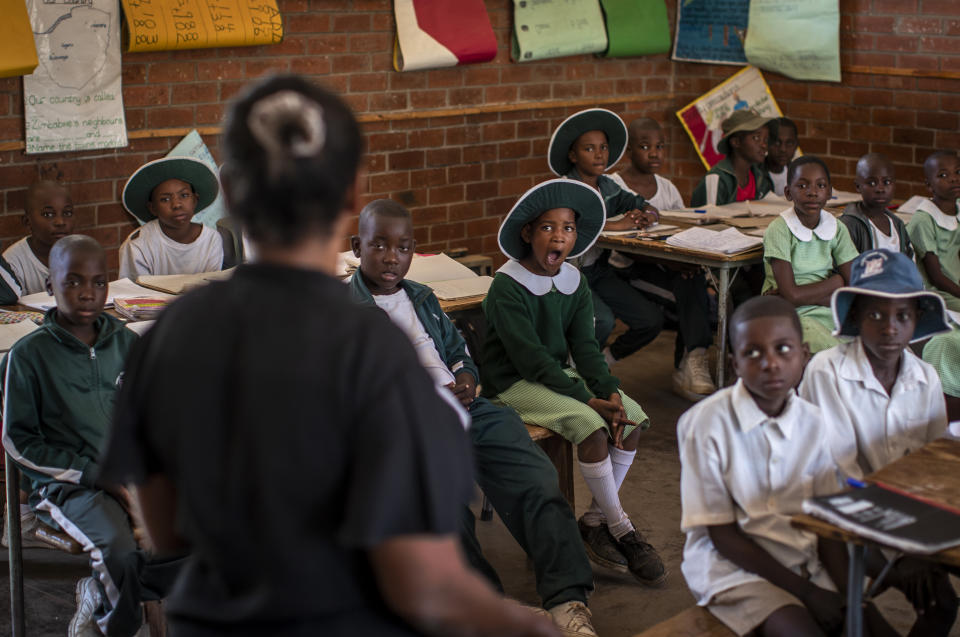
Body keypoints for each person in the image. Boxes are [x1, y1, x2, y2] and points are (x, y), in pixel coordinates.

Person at [98, 75, 558, 637]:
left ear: (230, 192)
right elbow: (421, 572)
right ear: (351, 198)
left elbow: (164, 530)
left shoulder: (171, 336)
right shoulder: (376, 352)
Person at [349, 199, 597, 636]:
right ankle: (485, 605)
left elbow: (458, 351)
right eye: (380, 246)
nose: (392, 257)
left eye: (403, 247)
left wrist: (465, 376)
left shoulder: (421, 296)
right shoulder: (342, 311)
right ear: (357, 247)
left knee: (536, 477)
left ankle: (568, 599)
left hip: (466, 407)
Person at [481, 178, 666, 587]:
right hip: (512, 383)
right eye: (547, 227)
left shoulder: (574, 282)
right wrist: (586, 398)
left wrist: (608, 389)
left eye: (567, 229)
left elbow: (585, 347)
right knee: (592, 427)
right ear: (528, 233)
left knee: (631, 419)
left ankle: (594, 520)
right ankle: (622, 530)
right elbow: (529, 359)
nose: (558, 237)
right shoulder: (507, 286)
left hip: (556, 376)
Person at [679, 295, 896, 637]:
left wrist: (853, 601)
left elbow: (824, 523)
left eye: (783, 349)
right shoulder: (706, 423)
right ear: (735, 364)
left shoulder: (816, 422)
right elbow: (721, 535)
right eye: (753, 353)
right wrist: (808, 593)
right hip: (735, 570)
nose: (770, 363)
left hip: (802, 558)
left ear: (804, 356)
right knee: (800, 630)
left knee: (869, 627)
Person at [2, 235, 182, 637]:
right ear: (51, 286)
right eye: (74, 282)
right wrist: (94, 474)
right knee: (119, 551)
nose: (88, 294)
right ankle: (114, 624)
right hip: (70, 485)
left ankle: (106, 597)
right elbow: (18, 443)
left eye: (98, 282)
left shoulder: (127, 343)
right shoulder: (28, 357)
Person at [800, 249, 958, 636]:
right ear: (854, 316)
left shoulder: (925, 377)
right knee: (865, 621)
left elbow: (930, 468)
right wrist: (902, 547)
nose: (889, 328)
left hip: (905, 521)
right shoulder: (828, 372)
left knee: (943, 607)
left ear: (917, 319)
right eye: (875, 315)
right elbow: (836, 471)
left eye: (902, 316)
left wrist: (917, 542)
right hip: (834, 520)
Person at [608, 116, 716, 400]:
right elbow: (620, 245)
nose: (654, 153)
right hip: (629, 270)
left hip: (666, 267)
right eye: (645, 147)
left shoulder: (666, 187)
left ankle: (691, 361)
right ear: (629, 151)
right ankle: (689, 365)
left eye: (660, 146)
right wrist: (671, 262)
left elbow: (681, 226)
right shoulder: (614, 185)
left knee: (691, 280)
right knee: (698, 298)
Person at [547, 108, 663, 368]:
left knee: (650, 319)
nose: (599, 154)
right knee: (601, 320)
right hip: (567, 274)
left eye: (603, 147)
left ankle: (601, 362)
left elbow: (641, 204)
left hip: (599, 272)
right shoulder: (564, 189)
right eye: (589, 149)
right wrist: (615, 225)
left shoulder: (608, 186)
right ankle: (573, 372)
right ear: (572, 155)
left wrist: (648, 215)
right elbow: (567, 233)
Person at [762, 156, 858, 353]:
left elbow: (854, 286)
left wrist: (804, 296)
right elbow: (791, 296)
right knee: (831, 351)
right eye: (803, 186)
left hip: (831, 310)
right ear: (788, 193)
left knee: (867, 339)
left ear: (830, 192)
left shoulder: (837, 228)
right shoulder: (779, 229)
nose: (813, 192)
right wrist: (836, 283)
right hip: (791, 313)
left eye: (820, 185)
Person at [117, 156, 231, 280]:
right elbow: (133, 294)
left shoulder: (211, 240)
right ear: (152, 208)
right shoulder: (138, 245)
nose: (177, 204)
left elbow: (211, 288)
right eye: (165, 199)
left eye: (184, 195)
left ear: (195, 200)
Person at [907, 150, 960, 312]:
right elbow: (936, 278)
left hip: (955, 282)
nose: (954, 179)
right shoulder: (924, 220)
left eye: (958, 172)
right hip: (937, 291)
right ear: (929, 185)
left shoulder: (958, 208)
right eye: (943, 175)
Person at [3, 180, 76, 294]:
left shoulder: (81, 254)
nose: (60, 222)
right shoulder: (13, 263)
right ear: (27, 222)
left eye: (67, 213)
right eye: (48, 214)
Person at [691, 109, 774, 207]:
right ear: (736, 142)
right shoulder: (717, 180)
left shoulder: (761, 180)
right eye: (756, 138)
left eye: (766, 139)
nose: (764, 145)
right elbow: (706, 218)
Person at [840, 153, 912, 256]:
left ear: (894, 185)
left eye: (886, 182)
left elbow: (908, 264)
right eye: (872, 183)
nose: (880, 189)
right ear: (858, 186)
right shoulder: (849, 225)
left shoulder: (897, 224)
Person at [764, 118, 798, 197]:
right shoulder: (755, 174)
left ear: (796, 145)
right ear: (767, 143)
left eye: (789, 143)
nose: (783, 149)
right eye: (777, 142)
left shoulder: (800, 174)